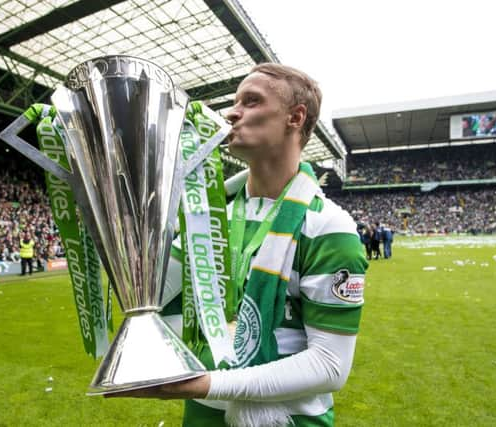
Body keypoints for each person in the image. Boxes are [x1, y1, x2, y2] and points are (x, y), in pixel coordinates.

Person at [112, 63, 368, 427]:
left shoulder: (328, 226)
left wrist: (203, 384)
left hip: (288, 421)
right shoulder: (204, 217)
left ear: (295, 118)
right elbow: (145, 295)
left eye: (251, 101)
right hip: (202, 417)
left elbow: (330, 367)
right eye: (235, 102)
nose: (232, 112)